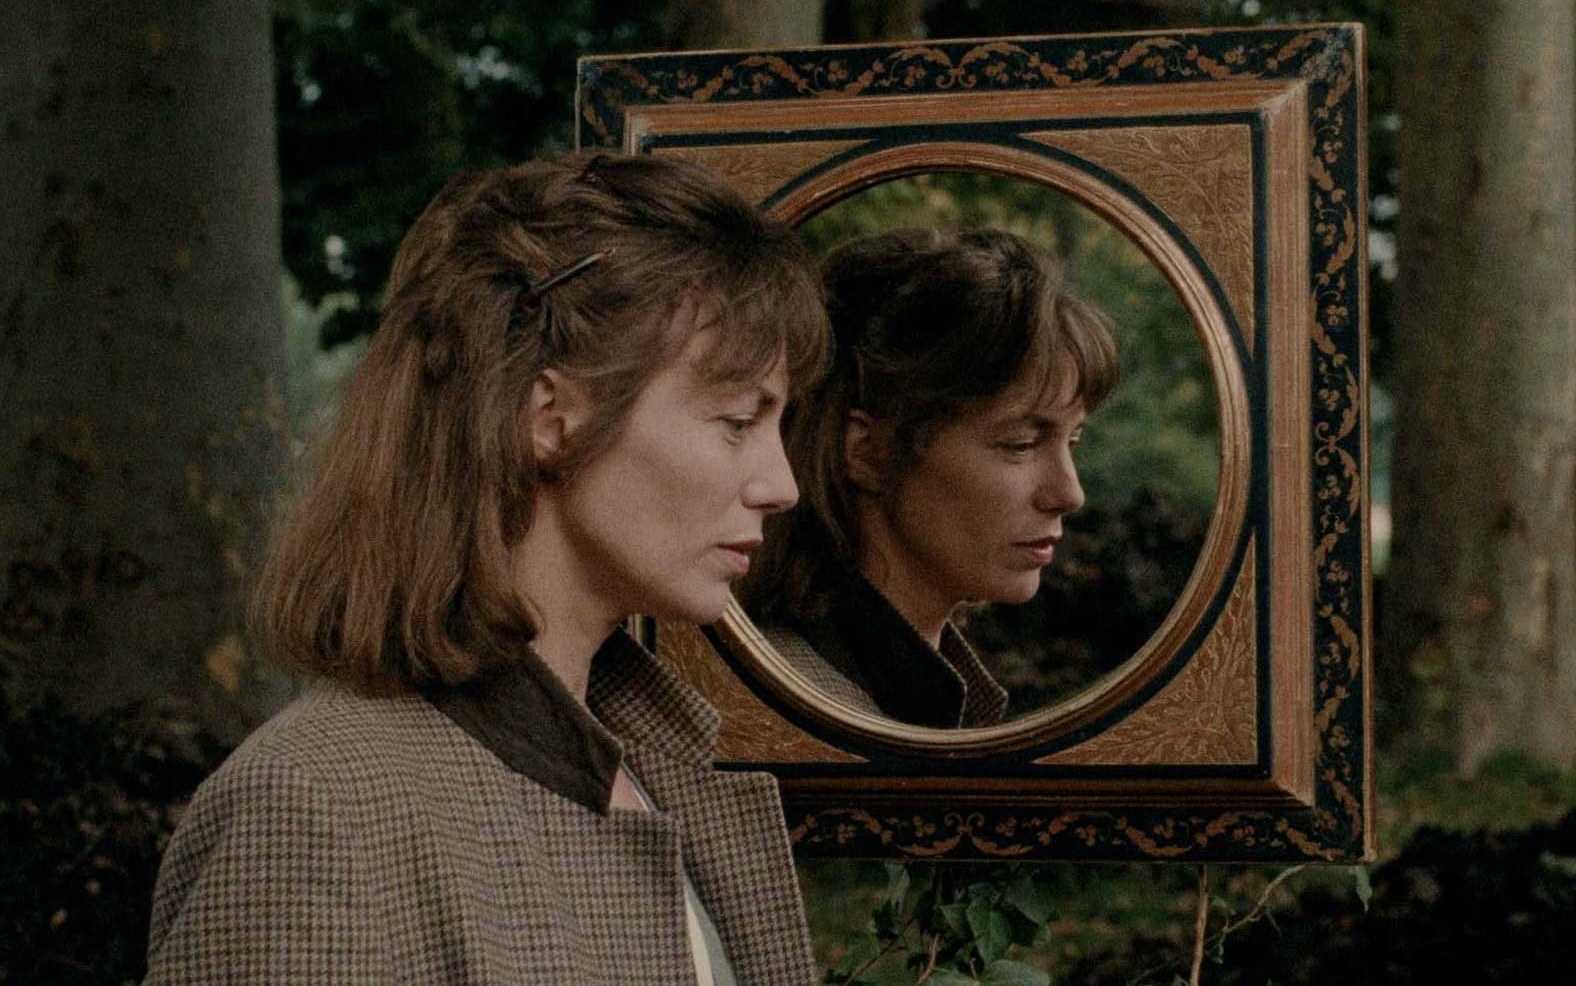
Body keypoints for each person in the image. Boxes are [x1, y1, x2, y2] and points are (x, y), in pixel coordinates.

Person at [145, 151, 829, 985]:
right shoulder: (311, 809)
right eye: (737, 420)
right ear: (551, 417)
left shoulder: (660, 774)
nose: (782, 484)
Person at [742, 226, 1118, 729]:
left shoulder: (934, 700)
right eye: (1020, 444)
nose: (1070, 493)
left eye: (1073, 441)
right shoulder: (788, 708)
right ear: (867, 451)